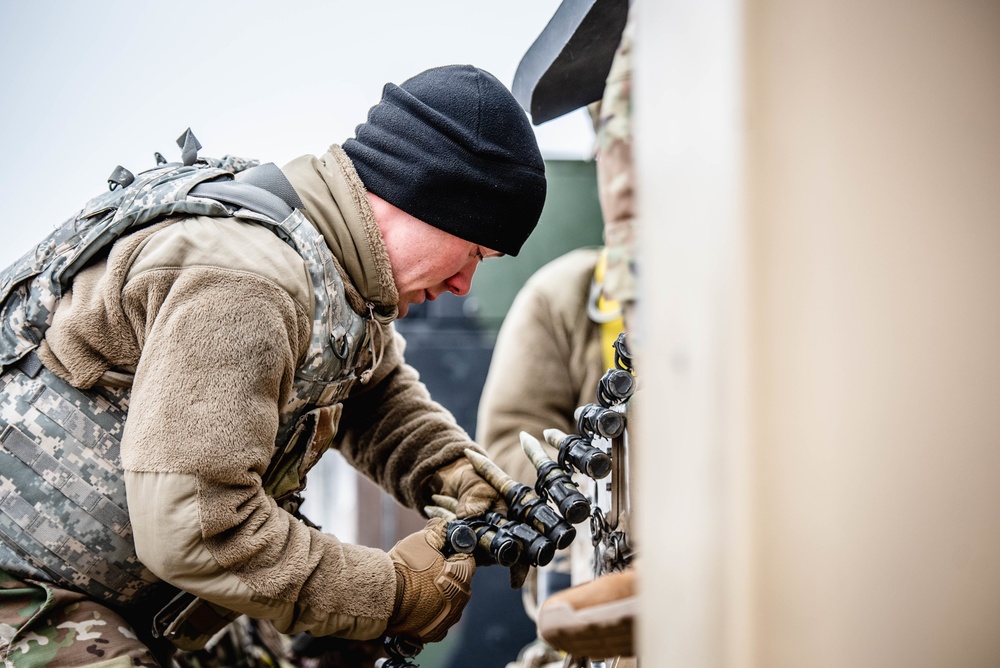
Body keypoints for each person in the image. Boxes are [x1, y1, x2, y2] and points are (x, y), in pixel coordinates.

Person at [0, 64, 546, 667]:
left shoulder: (333, 271)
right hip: (23, 593)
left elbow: (372, 391)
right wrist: (394, 593)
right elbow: (201, 526)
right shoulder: (245, 280)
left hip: (130, 595)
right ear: (419, 197)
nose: (466, 284)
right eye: (473, 249)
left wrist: (452, 473)